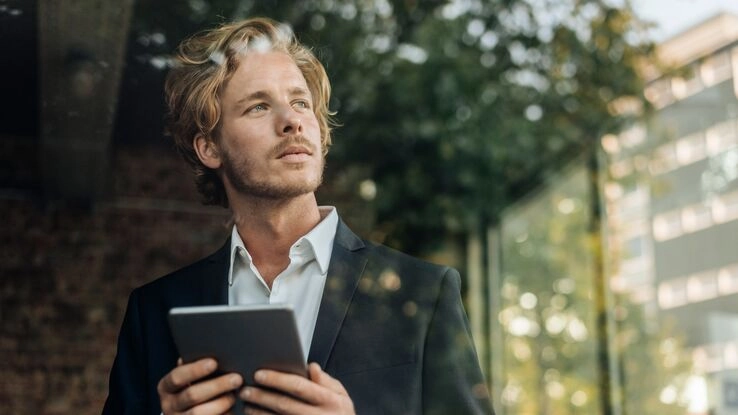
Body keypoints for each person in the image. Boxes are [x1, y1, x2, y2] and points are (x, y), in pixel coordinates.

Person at [102, 17, 494, 415]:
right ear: (209, 148)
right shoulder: (154, 313)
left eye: (300, 102)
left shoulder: (423, 294)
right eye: (258, 106)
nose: (292, 121)